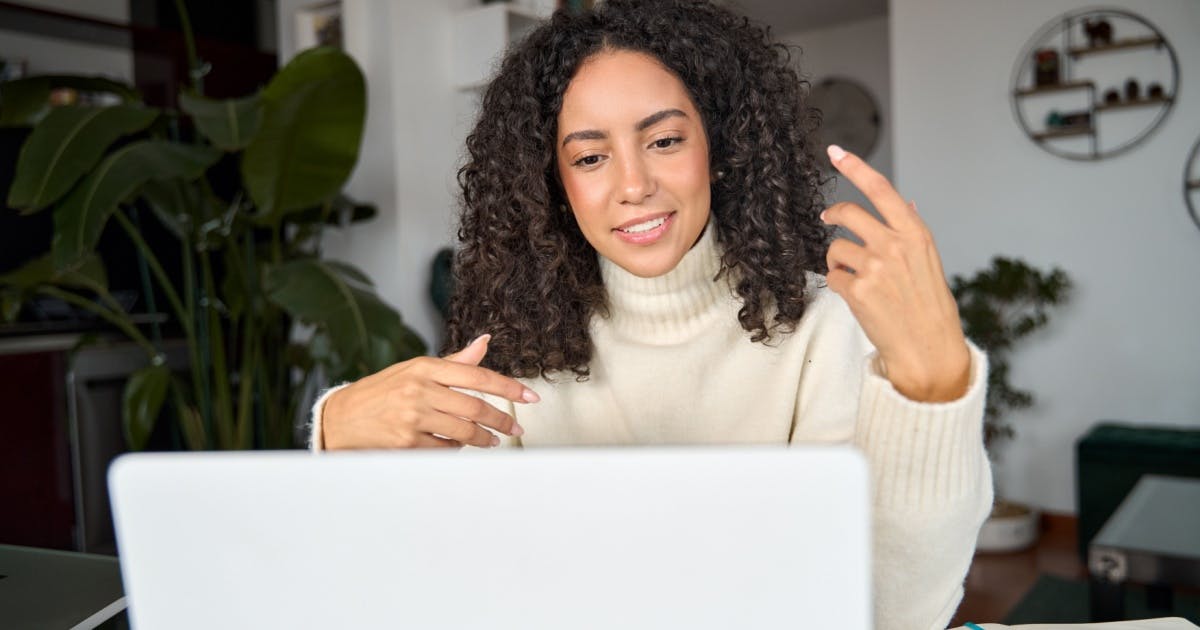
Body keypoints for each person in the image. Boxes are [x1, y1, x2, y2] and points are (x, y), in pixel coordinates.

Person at [309, 1, 992, 629]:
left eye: (664, 141)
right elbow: (437, 581)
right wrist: (334, 436)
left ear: (718, 151)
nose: (634, 186)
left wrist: (935, 391)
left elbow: (894, 613)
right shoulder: (516, 342)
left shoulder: (825, 324)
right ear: (554, 183)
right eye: (590, 156)